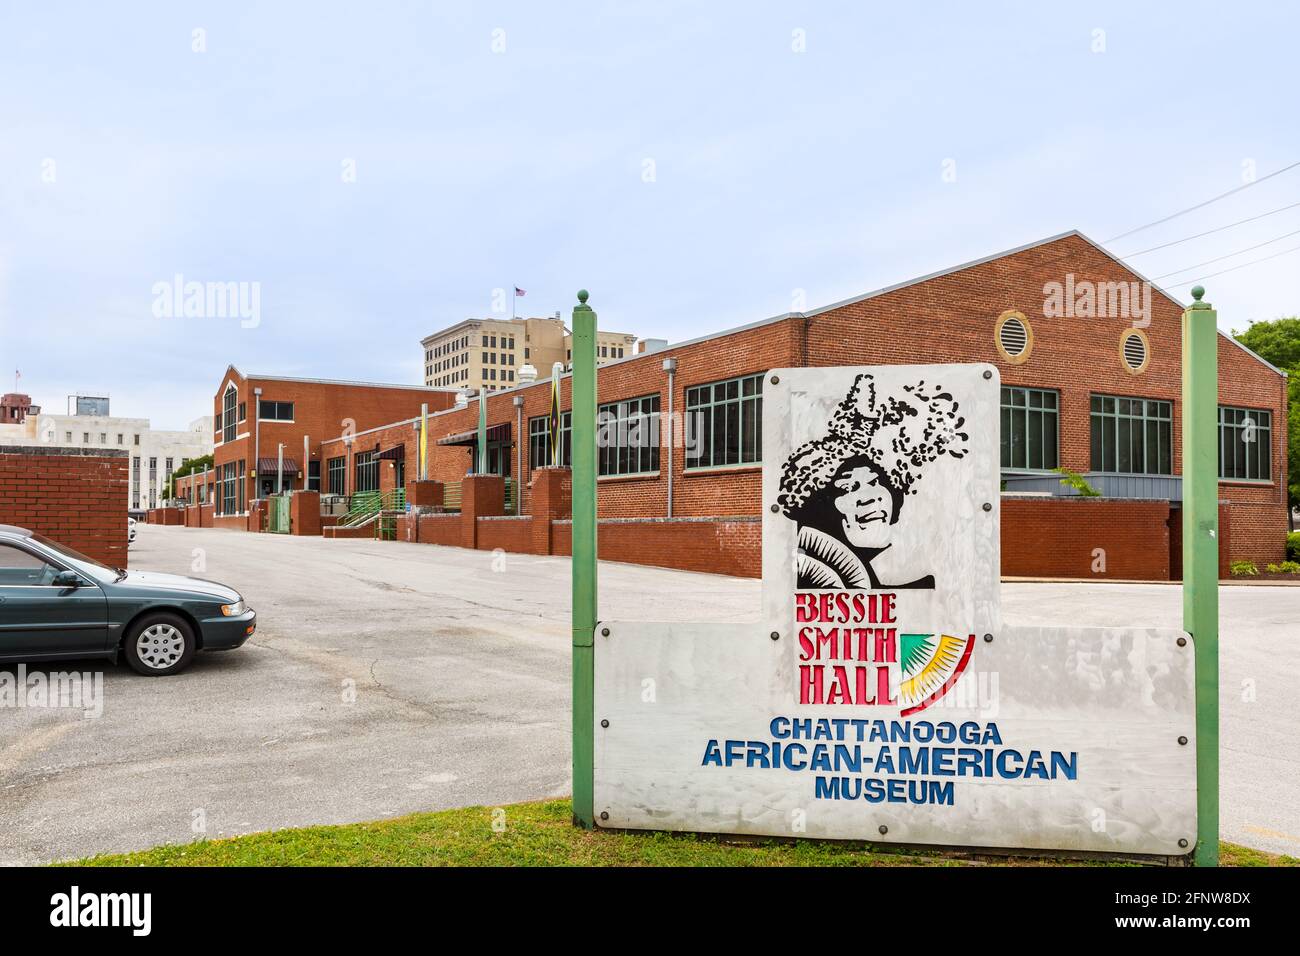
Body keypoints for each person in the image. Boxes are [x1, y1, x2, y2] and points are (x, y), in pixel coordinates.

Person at [777, 372, 968, 589]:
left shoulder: (922, 576)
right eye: (849, 488)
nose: (869, 499)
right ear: (818, 504)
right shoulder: (810, 575)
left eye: (875, 482)